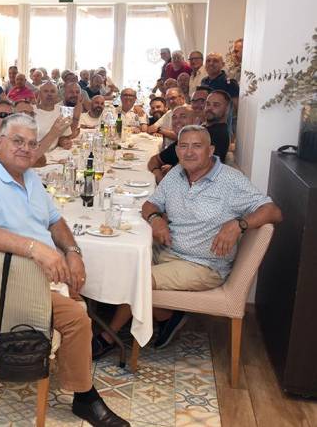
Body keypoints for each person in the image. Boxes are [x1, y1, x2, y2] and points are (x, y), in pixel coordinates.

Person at [0, 113, 130, 427]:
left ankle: (17, 349)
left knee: (77, 283)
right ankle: (84, 397)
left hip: (28, 275)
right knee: (78, 318)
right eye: (18, 141)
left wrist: (72, 252)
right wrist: (37, 249)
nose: (25, 149)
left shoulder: (28, 176)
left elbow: (55, 220)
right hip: (1, 283)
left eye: (32, 144)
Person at [94, 125, 282, 355]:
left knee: (138, 278)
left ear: (211, 149)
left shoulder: (231, 181)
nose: (189, 152)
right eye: (183, 146)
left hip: (203, 265)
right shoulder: (176, 174)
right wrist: (155, 219)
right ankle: (166, 314)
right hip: (167, 251)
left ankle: (109, 336)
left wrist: (239, 224)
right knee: (119, 256)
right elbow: (150, 204)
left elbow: (273, 211)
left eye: (197, 146)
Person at [146, 105, 194, 183]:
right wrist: (159, 176)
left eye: (183, 116)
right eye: (174, 117)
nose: (177, 121)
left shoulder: (200, 144)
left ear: (195, 120)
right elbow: (153, 160)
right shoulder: (181, 142)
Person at [201, 53, 240, 134]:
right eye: (208, 61)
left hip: (224, 127)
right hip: (206, 124)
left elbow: (237, 108)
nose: (211, 63)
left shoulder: (229, 83)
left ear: (222, 64)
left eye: (215, 61)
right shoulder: (204, 81)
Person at [34, 81, 77, 151]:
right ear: (39, 94)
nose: (49, 94)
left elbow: (63, 136)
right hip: (35, 155)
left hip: (54, 154)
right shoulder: (30, 111)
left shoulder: (62, 111)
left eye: (52, 91)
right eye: (46, 91)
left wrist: (63, 142)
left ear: (57, 95)